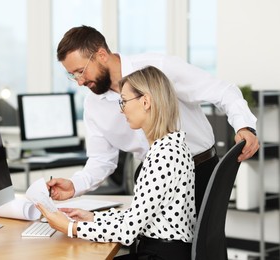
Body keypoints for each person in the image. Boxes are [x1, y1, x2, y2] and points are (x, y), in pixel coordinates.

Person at [48, 25, 259, 213]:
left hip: (200, 171)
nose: (79, 81)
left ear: (101, 55)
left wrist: (245, 126)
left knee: (201, 245)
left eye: (80, 71)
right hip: (152, 179)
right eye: (73, 75)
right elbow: (101, 160)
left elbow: (223, 91)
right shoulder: (93, 105)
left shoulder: (159, 68)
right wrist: (75, 185)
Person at [38, 66, 196, 260]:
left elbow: (128, 231)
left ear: (145, 102)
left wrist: (70, 227)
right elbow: (138, 215)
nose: (122, 110)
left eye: (123, 102)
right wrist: (93, 217)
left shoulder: (164, 156)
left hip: (160, 255)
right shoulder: (170, 147)